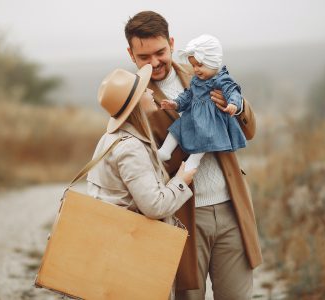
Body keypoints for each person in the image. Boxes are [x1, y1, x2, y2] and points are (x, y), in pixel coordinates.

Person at [124, 11, 263, 300]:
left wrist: (236, 105)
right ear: (130, 54)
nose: (154, 62)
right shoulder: (131, 98)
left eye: (160, 52)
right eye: (144, 57)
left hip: (231, 210)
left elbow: (248, 132)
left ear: (172, 43)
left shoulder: (205, 71)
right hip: (180, 218)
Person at [86, 65, 196, 299]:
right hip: (131, 252)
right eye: (145, 90)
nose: (151, 93)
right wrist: (180, 181)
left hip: (111, 247)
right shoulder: (130, 147)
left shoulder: (110, 139)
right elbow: (154, 206)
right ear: (136, 103)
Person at [158, 34, 247, 172]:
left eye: (199, 65)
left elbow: (232, 91)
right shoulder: (196, 80)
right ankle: (165, 150)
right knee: (176, 129)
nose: (196, 69)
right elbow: (189, 95)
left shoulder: (221, 79)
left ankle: (193, 161)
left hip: (210, 119)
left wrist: (234, 104)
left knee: (204, 137)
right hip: (192, 116)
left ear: (213, 62)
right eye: (193, 65)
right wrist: (175, 104)